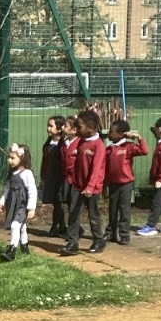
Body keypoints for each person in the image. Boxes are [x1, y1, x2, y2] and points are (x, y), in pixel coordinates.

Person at [61, 109, 107, 256]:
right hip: (78, 185)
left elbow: (96, 169)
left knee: (93, 215)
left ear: (91, 127)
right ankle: (73, 242)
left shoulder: (98, 145)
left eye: (80, 126)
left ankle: (99, 240)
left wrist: (90, 186)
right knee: (73, 213)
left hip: (92, 188)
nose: (77, 129)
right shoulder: (81, 142)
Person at [105, 119, 149, 245]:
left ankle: (124, 235)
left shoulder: (129, 146)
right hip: (113, 184)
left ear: (120, 134)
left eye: (111, 131)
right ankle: (111, 233)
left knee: (124, 210)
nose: (109, 134)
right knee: (112, 210)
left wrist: (139, 138)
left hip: (126, 183)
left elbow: (144, 151)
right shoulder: (109, 149)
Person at [0, 143, 37, 262]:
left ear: (22, 158)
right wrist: (2, 200)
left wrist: (31, 208)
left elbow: (32, 190)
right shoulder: (12, 173)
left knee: (15, 225)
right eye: (8, 157)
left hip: (22, 205)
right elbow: (7, 188)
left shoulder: (26, 173)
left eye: (12, 158)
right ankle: (24, 247)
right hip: (13, 204)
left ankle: (12, 250)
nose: (9, 160)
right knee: (21, 226)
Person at [38, 116, 68, 237]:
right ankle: (62, 227)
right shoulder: (48, 144)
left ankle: (55, 227)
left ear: (60, 128)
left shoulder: (64, 144)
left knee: (59, 201)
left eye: (51, 126)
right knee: (56, 202)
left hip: (61, 177)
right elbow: (45, 162)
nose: (48, 129)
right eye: (48, 126)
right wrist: (43, 178)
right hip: (51, 177)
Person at [60, 115, 82, 240]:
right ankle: (78, 229)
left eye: (66, 126)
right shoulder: (64, 142)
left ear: (74, 130)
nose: (63, 127)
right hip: (66, 179)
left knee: (74, 206)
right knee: (68, 204)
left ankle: (72, 235)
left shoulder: (80, 143)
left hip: (76, 180)